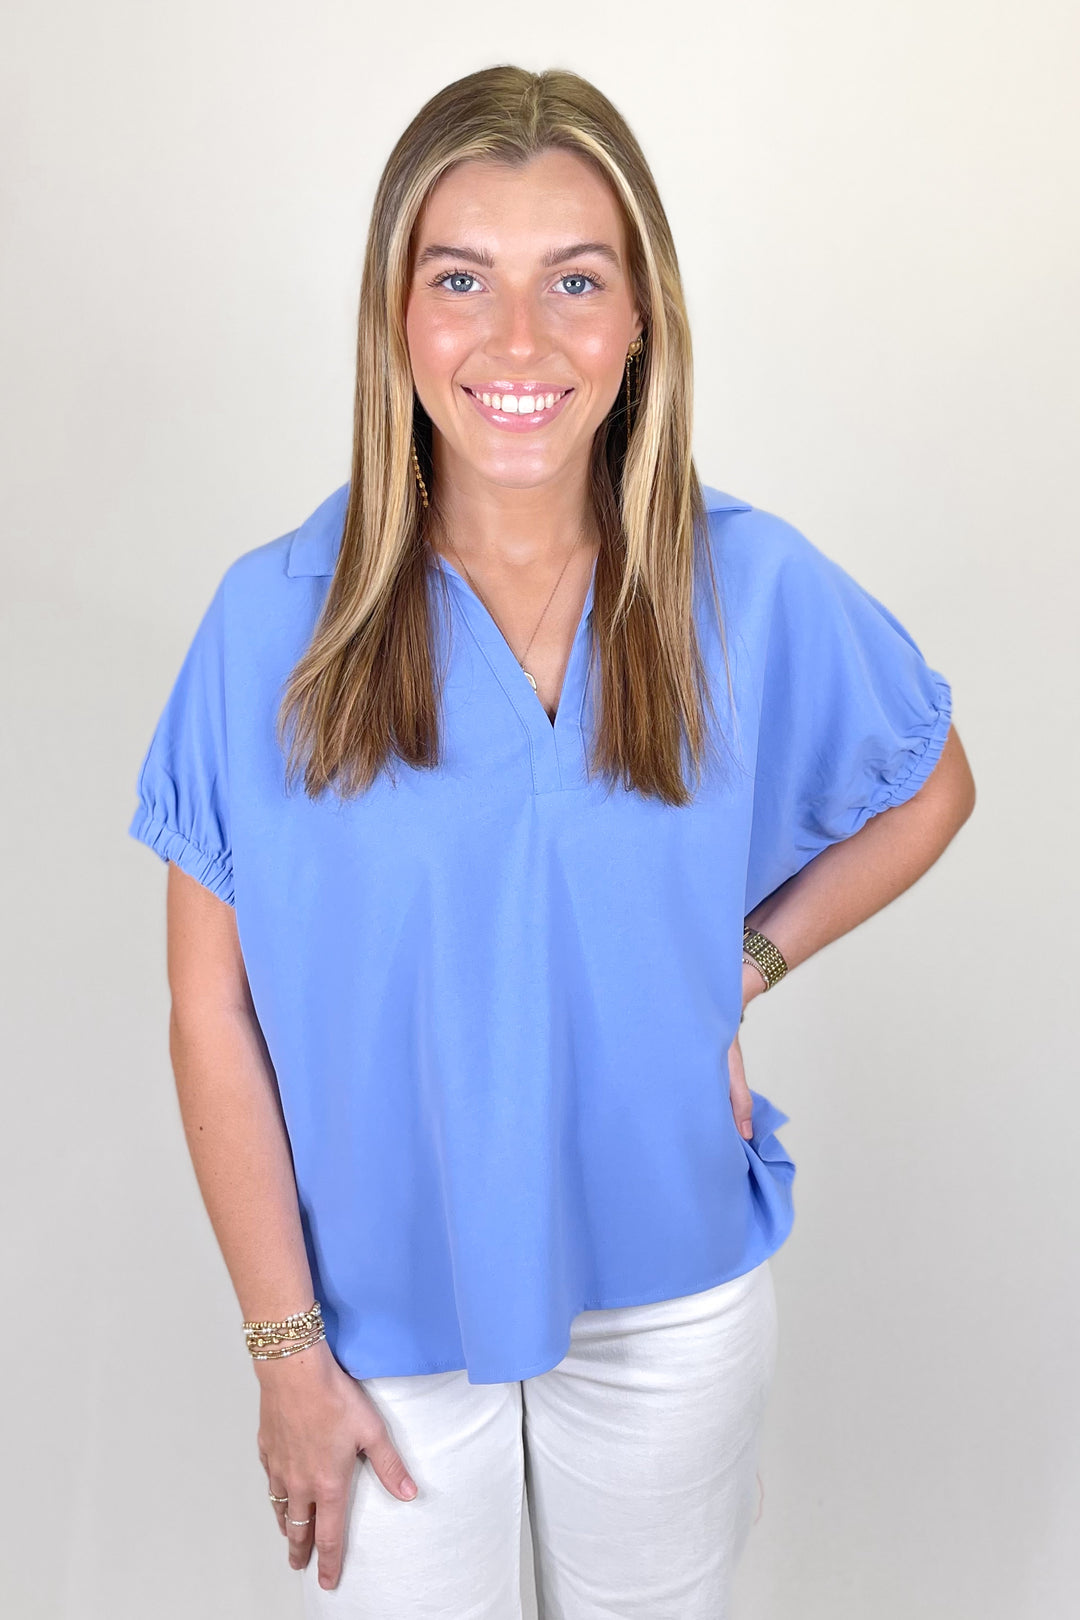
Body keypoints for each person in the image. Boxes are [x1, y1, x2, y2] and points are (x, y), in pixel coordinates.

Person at [127, 64, 976, 1620]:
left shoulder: (746, 588)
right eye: (462, 279)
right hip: (374, 1319)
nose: (518, 341)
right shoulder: (268, 626)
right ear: (396, 318)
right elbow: (209, 1010)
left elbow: (931, 790)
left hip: (669, 1293)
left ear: (642, 319)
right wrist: (285, 1351)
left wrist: (740, 967)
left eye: (575, 281)